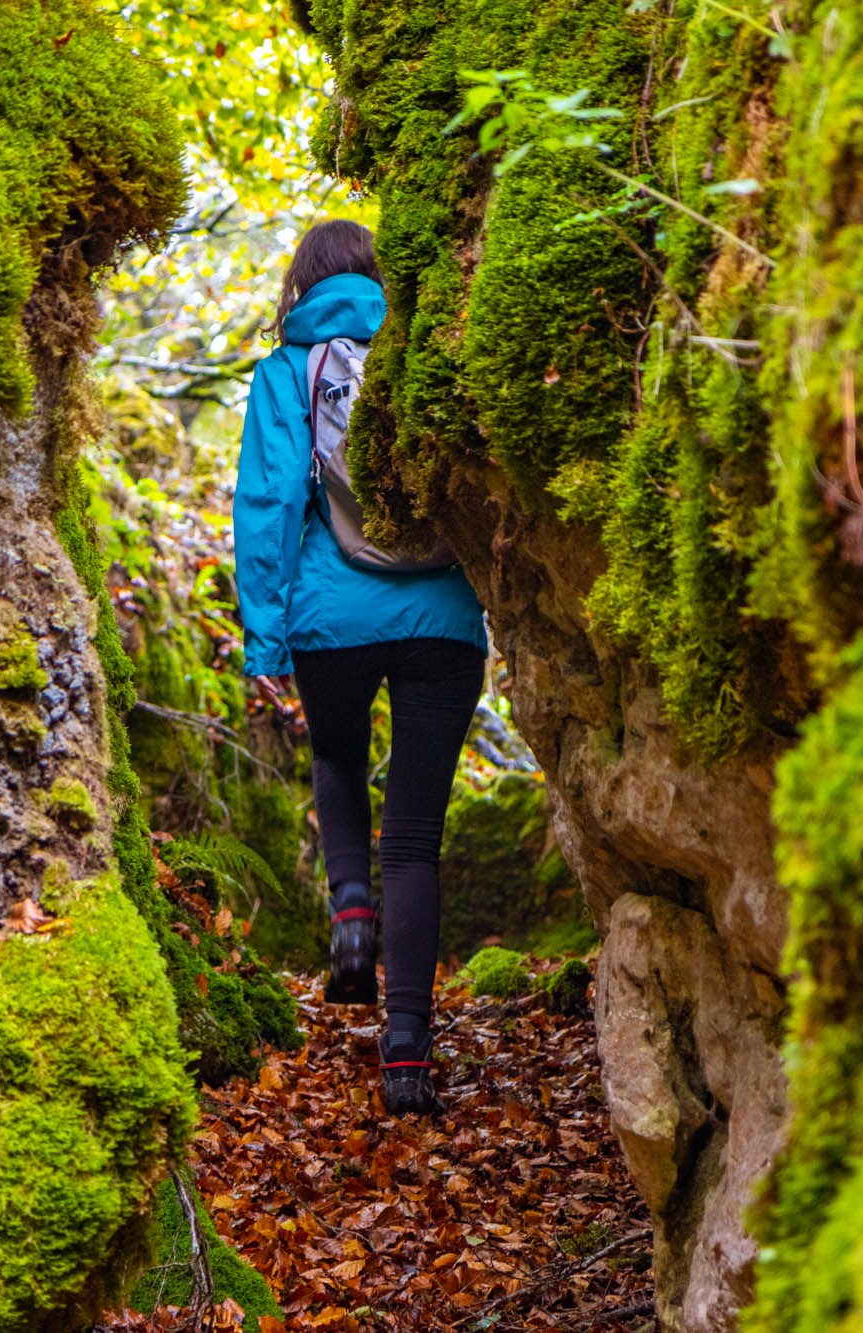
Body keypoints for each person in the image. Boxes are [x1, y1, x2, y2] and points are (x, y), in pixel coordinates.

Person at [231, 219, 488, 1117]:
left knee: (337, 755)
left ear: (303, 285)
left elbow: (269, 503)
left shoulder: (286, 371)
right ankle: (407, 1051)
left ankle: (349, 910)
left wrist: (265, 640)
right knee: (414, 841)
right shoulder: (430, 353)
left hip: (330, 620)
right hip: (442, 619)